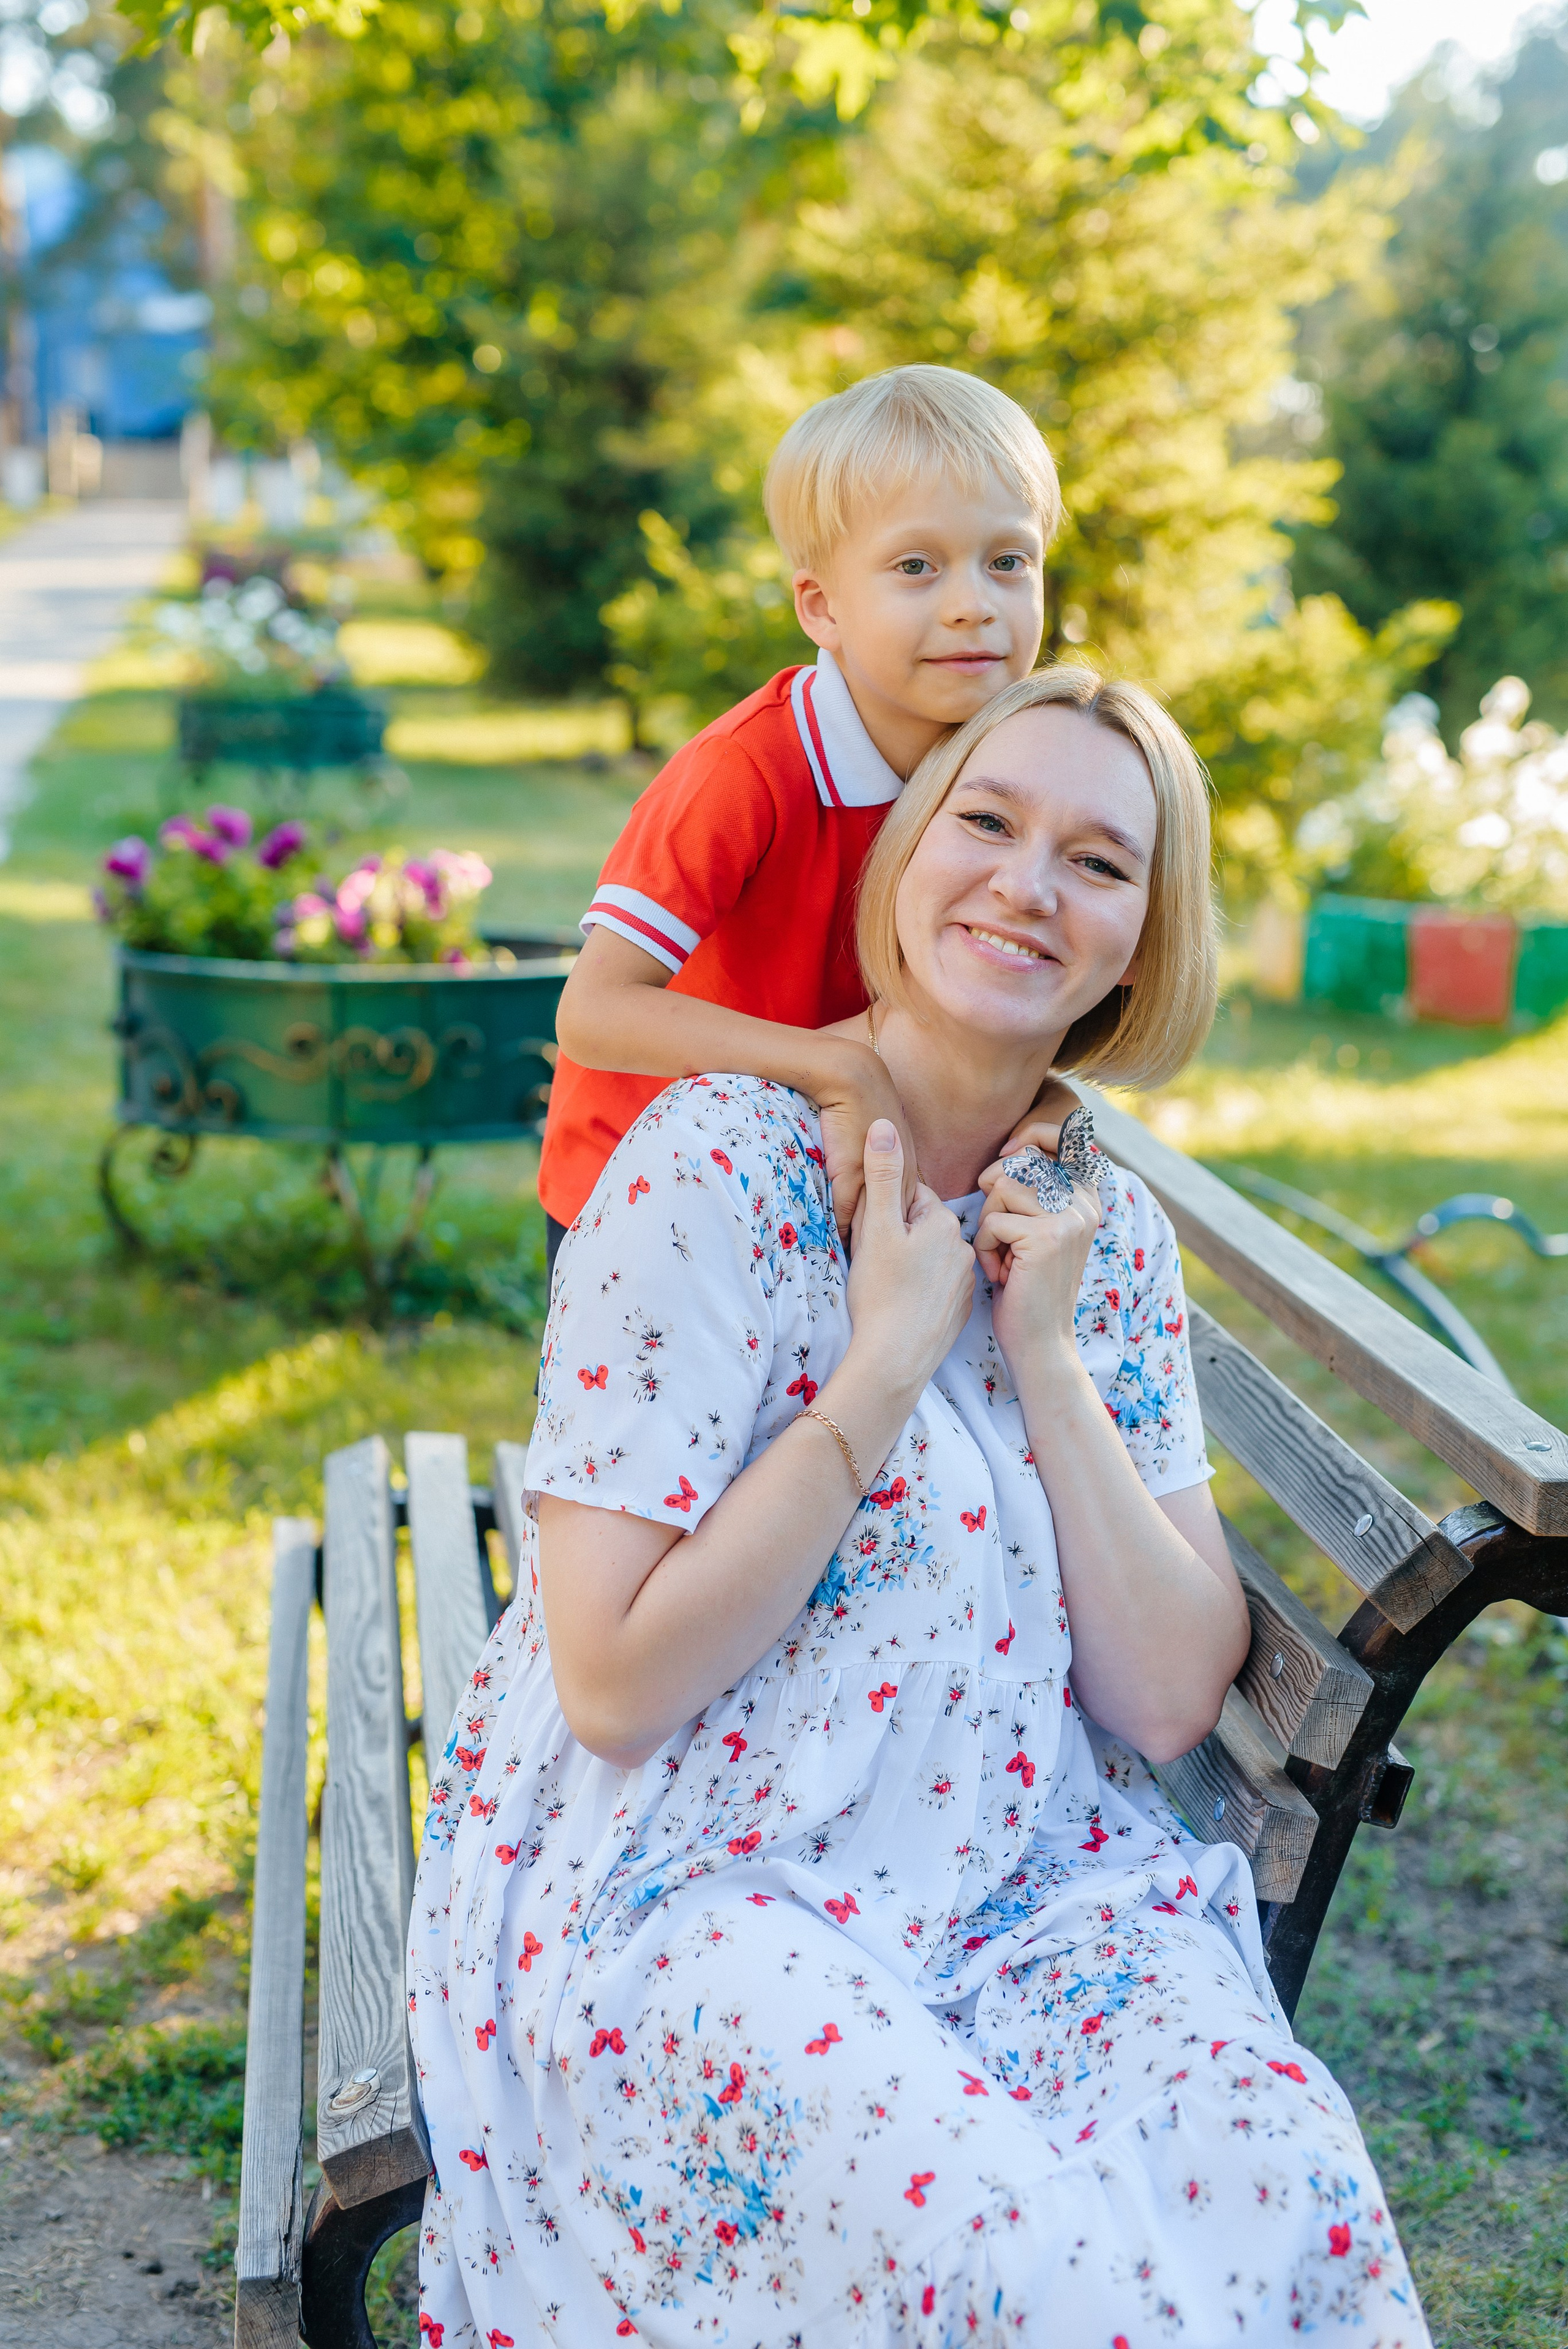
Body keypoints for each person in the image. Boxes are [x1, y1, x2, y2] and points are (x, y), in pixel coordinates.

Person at [409, 665, 1430, 2347]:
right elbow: (613, 1681)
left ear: (1139, 942)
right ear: (907, 856)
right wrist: (882, 1370)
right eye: (989, 820)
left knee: (1295, 2189)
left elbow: (1172, 1692)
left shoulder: (1101, 1235)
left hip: (1022, 1880)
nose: (1029, 883)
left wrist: (1042, 1348)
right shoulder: (712, 1169)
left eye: (1100, 862)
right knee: (1032, 2273)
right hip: (704, 1889)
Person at [538, 363, 1078, 1278]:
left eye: (1008, 561)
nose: (972, 602)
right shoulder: (747, 770)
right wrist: (834, 1068)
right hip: (645, 1198)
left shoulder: (1007, 764)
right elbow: (592, 1012)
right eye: (917, 566)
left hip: (826, 1186)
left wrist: (1054, 1102)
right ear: (822, 607)